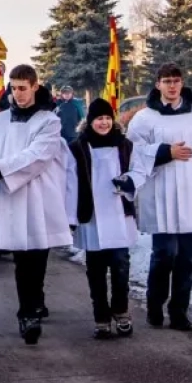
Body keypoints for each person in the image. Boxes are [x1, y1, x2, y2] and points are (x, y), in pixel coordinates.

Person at [125, 63, 192, 332]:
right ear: (158, 85)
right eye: (167, 81)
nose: (172, 86)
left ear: (182, 83)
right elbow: (133, 151)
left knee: (186, 257)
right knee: (164, 254)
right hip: (161, 193)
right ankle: (154, 306)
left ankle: (179, 312)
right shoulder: (145, 118)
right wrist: (166, 152)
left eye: (176, 81)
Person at [0, 66, 70, 344]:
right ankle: (28, 311)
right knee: (20, 256)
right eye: (14, 88)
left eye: (23, 88)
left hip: (36, 194)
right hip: (8, 195)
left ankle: (31, 309)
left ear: (35, 86)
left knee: (35, 254)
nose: (18, 94)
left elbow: (37, 156)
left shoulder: (48, 121)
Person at [64, 100, 137, 340]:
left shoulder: (124, 145)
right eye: (98, 119)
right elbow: (69, 181)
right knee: (95, 270)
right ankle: (101, 317)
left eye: (107, 118)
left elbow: (138, 170)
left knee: (120, 265)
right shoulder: (78, 148)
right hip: (92, 216)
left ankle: (121, 310)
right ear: (90, 122)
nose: (103, 123)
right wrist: (70, 216)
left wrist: (128, 184)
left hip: (119, 214)